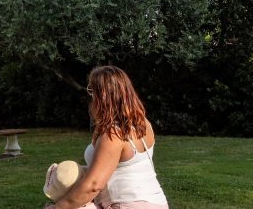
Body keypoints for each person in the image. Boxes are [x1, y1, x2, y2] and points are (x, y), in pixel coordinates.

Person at [47, 65, 169, 209]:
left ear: (102, 96)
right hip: (157, 202)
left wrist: (57, 207)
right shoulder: (143, 123)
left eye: (92, 90)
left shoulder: (113, 135)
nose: (90, 96)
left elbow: (93, 186)